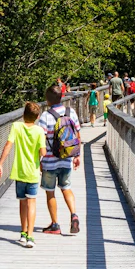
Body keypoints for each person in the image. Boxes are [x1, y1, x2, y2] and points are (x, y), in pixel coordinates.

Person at [0, 102, 45, 248]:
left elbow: (8, 145)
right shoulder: (39, 131)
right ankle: (30, 236)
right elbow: (43, 152)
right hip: (33, 172)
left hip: (20, 172)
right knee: (31, 203)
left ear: (23, 115)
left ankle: (23, 233)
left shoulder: (16, 127)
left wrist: (0, 164)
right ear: (37, 117)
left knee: (22, 203)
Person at [37, 84, 83, 236]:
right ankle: (74, 215)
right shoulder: (71, 112)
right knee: (66, 187)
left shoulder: (45, 116)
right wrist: (77, 155)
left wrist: (39, 160)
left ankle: (55, 224)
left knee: (50, 193)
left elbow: (41, 141)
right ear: (62, 97)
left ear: (47, 100)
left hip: (49, 162)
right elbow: (77, 135)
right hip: (66, 159)